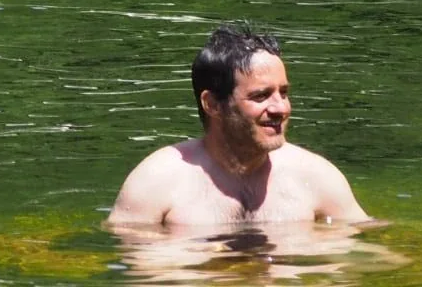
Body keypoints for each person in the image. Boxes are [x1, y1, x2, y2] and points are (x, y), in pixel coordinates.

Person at [107, 24, 369, 227]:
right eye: (261, 96)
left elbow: (371, 247)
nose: (281, 108)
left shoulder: (315, 177)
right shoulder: (157, 183)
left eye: (284, 93)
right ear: (212, 104)